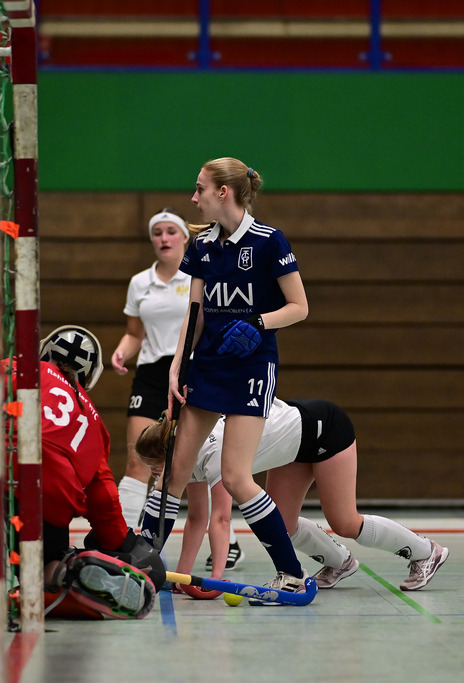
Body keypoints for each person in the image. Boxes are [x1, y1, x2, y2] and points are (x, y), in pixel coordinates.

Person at [138, 157, 314, 605]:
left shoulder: (270, 241)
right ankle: (139, 566)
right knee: (173, 473)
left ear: (223, 192)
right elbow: (195, 313)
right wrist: (178, 365)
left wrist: (259, 322)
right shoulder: (201, 246)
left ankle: (291, 574)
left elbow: (299, 307)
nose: (193, 197)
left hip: (253, 367)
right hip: (208, 367)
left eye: (200, 189)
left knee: (236, 477)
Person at [136, 398, 450, 592]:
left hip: (324, 429)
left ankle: (427, 552)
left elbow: (221, 519)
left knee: (344, 522)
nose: (155, 475)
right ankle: (340, 562)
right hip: (292, 448)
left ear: (169, 454)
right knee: (283, 524)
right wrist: (183, 578)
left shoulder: (213, 453)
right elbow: (196, 518)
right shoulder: (186, 455)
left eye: (154, 466)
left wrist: (216, 580)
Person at [109, 207, 244, 569]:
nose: (164, 238)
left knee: (198, 461)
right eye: (157, 233)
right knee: (139, 458)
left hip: (192, 371)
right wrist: (122, 352)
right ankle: (119, 539)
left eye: (171, 231)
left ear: (185, 238)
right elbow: (134, 334)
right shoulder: (140, 283)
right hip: (151, 374)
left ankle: (227, 539)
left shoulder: (199, 276)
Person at [33, 325, 164, 619]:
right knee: (47, 564)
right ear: (89, 375)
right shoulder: (93, 421)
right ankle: (67, 570)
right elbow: (103, 498)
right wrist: (124, 545)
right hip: (53, 498)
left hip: (0, 475)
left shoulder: (24, 369)